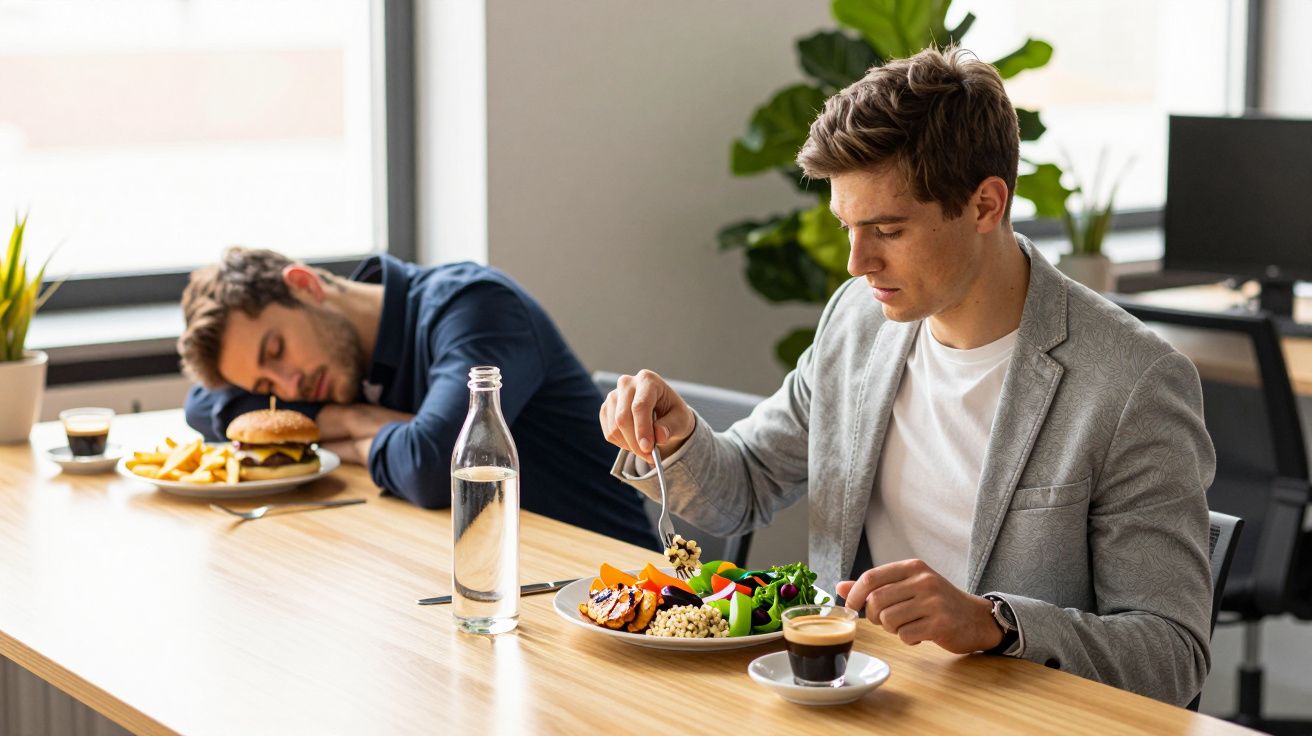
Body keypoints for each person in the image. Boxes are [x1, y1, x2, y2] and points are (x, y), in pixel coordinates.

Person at [599, 47, 1214, 706]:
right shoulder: (857, 325)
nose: (857, 263)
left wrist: (994, 624)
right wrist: (679, 435)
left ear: (985, 205)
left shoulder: (1132, 382)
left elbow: (1171, 655)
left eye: (887, 230)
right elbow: (744, 486)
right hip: (857, 705)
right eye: (848, 228)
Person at [178, 247, 655, 547]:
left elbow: (434, 468)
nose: (288, 387)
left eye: (276, 350)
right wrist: (356, 418)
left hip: (602, 583)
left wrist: (334, 436)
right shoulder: (328, 373)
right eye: (264, 387)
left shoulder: (475, 307)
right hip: (491, 572)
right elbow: (202, 407)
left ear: (305, 285)